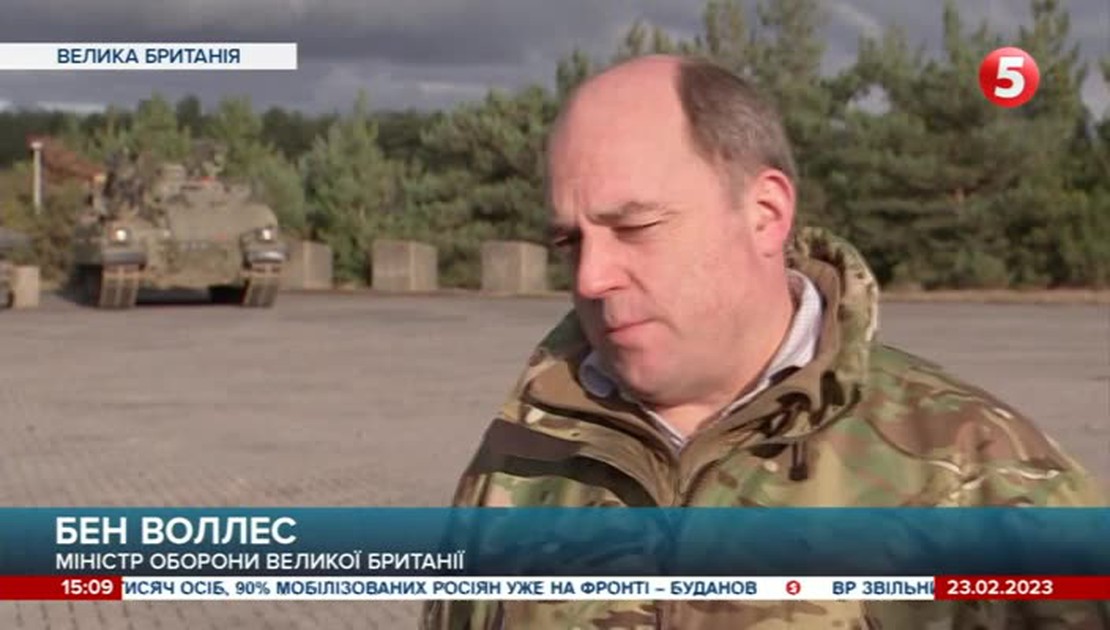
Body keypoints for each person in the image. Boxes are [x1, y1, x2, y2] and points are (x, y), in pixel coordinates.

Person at [422, 54, 1107, 629]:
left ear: (765, 214)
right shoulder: (522, 457)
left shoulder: (977, 467)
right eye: (571, 242)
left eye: (634, 228)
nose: (591, 278)